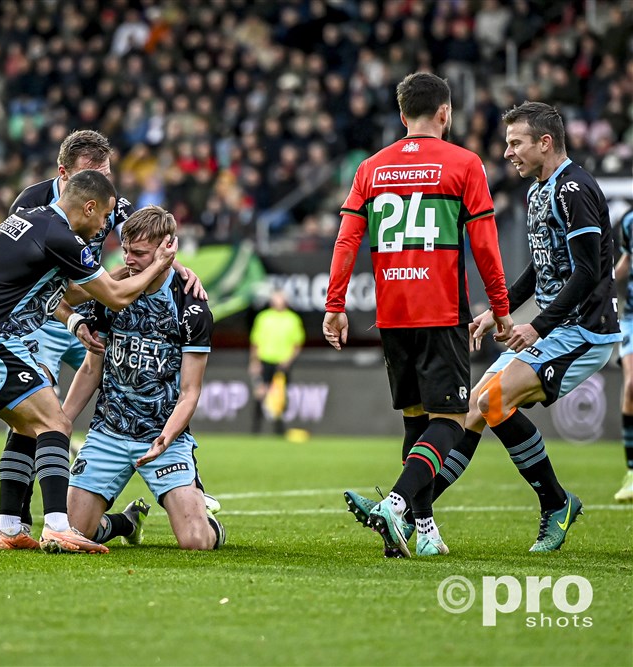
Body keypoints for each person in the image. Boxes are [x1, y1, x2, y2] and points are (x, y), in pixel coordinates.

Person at [0, 169, 177, 553]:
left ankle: (9, 527)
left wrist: (123, 275)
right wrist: (160, 265)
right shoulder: (60, 234)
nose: (103, 229)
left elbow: (78, 293)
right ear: (89, 206)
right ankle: (58, 526)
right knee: (56, 422)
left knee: (27, 426)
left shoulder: (32, 220)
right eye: (104, 217)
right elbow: (114, 297)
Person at [0, 130, 216, 550]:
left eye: (108, 175)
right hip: (48, 314)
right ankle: (15, 520)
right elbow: (38, 288)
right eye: (94, 176)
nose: (106, 187)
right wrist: (75, 316)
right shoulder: (31, 205)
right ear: (66, 174)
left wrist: (178, 268)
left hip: (95, 303)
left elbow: (146, 235)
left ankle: (185, 481)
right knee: (34, 413)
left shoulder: (111, 203)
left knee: (113, 366)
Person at [323, 72, 512, 557]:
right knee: (450, 417)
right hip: (440, 308)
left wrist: (336, 304)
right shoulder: (465, 164)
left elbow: (347, 240)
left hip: (393, 312)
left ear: (403, 115)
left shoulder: (371, 168)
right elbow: (485, 246)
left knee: (415, 417)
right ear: (445, 112)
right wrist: (501, 306)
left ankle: (422, 530)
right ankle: (399, 503)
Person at [429, 103, 622, 550]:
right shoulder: (539, 190)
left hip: (583, 330)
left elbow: (588, 271)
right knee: (477, 407)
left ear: (545, 142)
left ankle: (556, 503)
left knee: (495, 399)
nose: (509, 152)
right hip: (555, 327)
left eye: (516, 143)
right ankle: (412, 508)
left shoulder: (574, 189)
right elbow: (541, 269)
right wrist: (497, 312)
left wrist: (536, 325)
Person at [63, 205, 226, 550]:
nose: (129, 259)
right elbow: (92, 367)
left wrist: (165, 439)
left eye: (138, 253)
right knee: (75, 534)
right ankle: (126, 522)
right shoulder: (111, 291)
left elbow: (190, 392)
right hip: (109, 431)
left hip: (162, 436)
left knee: (196, 543)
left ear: (167, 248)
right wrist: (61, 422)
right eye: (125, 250)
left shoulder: (190, 306)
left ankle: (207, 520)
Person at [249, 289, 306, 435]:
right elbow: (255, 342)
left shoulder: (293, 319)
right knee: (260, 393)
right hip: (265, 361)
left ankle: (278, 431)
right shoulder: (263, 317)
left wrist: (289, 360)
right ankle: (255, 430)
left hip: (282, 363)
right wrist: (254, 362)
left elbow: (297, 344)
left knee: (279, 396)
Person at [614, 207, 633, 503]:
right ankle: (631, 472)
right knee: (631, 386)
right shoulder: (629, 221)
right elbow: (626, 261)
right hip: (631, 316)